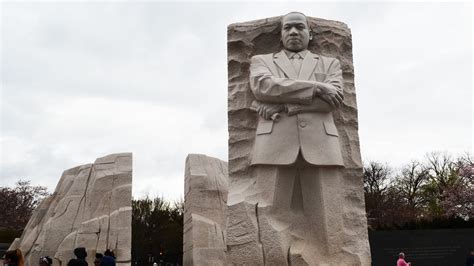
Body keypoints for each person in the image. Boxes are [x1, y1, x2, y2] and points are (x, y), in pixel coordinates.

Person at [248, 11, 345, 263]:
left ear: (309, 34)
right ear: (280, 35)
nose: (293, 32)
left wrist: (285, 107)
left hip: (322, 145)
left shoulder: (330, 64)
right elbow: (263, 87)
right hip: (273, 145)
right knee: (269, 216)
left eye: (299, 27)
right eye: (288, 28)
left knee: (327, 220)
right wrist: (316, 87)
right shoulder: (262, 61)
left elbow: (332, 102)